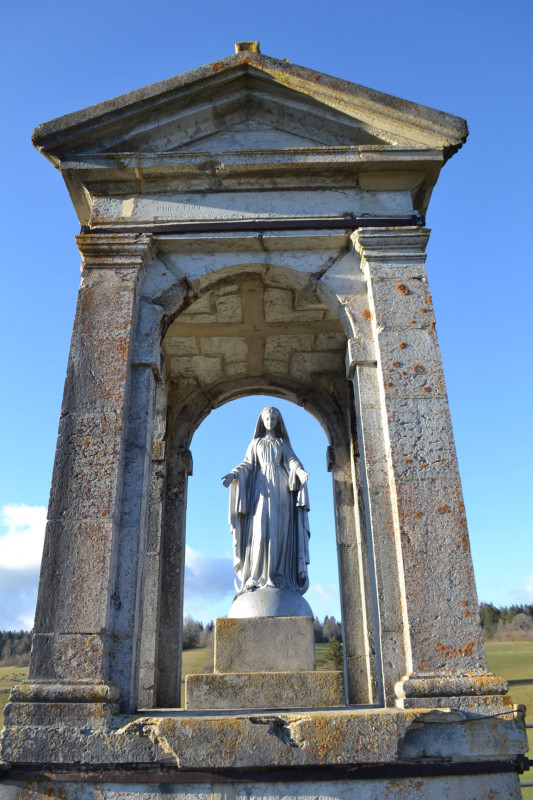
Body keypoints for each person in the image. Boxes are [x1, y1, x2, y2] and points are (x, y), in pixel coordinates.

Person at [222, 407, 310, 596]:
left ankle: (279, 577)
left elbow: (292, 461)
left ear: (278, 422)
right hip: (261, 487)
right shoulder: (256, 443)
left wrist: (300, 472)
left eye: (273, 419)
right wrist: (234, 474)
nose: (270, 422)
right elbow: (247, 464)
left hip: (282, 488)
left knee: (280, 531)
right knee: (260, 531)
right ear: (262, 422)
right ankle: (256, 577)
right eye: (267, 419)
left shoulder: (282, 443)